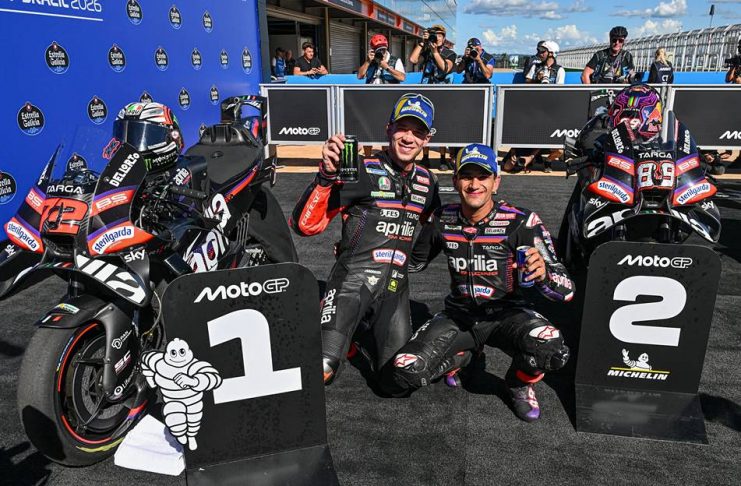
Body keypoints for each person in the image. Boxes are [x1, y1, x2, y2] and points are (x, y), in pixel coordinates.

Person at [391, 143, 574, 421]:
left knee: (552, 348)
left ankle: (518, 383)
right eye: (467, 176)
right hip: (459, 316)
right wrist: (366, 249)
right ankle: (464, 356)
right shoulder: (442, 218)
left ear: (496, 182)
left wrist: (544, 275)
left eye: (483, 176)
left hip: (508, 316)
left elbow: (567, 290)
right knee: (406, 372)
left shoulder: (523, 221)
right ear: (456, 181)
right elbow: (414, 263)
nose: (474, 184)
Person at [290, 93, 441, 391]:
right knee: (322, 368)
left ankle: (356, 333)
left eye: (418, 131)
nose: (408, 137)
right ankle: (338, 327)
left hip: (394, 290)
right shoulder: (360, 169)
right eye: (402, 128)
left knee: (398, 383)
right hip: (352, 283)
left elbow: (437, 227)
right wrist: (325, 176)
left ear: (427, 139)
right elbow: (304, 226)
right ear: (388, 129)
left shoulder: (428, 181)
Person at [409, 25, 456, 168]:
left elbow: (445, 68)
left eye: (440, 35)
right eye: (435, 35)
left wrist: (435, 52)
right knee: (425, 124)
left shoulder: (449, 53)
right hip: (426, 92)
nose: (437, 38)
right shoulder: (426, 51)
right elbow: (413, 60)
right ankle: (425, 157)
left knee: (441, 125)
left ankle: (442, 158)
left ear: (444, 38)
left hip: (442, 94)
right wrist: (422, 43)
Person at [357, 33, 406, 157]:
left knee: (387, 130)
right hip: (371, 100)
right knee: (368, 129)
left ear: (387, 47)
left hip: (388, 100)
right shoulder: (370, 61)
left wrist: (387, 67)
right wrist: (368, 61)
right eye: (378, 50)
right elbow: (360, 76)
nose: (381, 53)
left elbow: (402, 77)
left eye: (383, 49)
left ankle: (385, 157)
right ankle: (367, 157)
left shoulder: (395, 60)